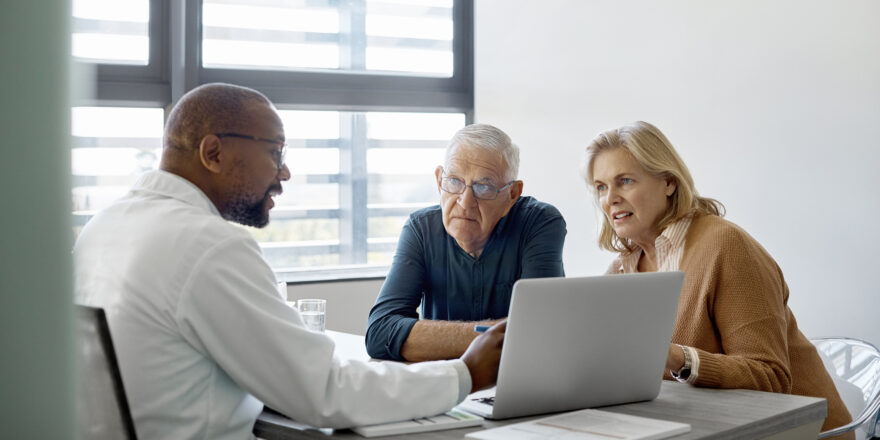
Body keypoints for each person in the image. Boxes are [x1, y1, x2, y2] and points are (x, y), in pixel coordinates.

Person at [73, 83, 506, 440]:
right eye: (275, 153)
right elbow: (323, 392)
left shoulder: (104, 226)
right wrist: (464, 373)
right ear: (214, 153)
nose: (285, 173)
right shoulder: (207, 245)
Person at [583, 121, 852, 437]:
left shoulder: (725, 246)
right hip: (702, 429)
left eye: (625, 181)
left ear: (668, 182)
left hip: (797, 432)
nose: (610, 198)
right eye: (601, 187)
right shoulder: (621, 269)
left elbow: (770, 377)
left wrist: (675, 357)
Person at [366, 124, 566, 361]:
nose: (465, 201)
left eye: (484, 186)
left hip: (514, 387)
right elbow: (380, 334)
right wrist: (503, 333)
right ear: (439, 180)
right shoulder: (421, 229)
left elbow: (542, 332)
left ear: (512, 195)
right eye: (454, 181)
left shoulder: (539, 223)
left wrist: (431, 338)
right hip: (443, 385)